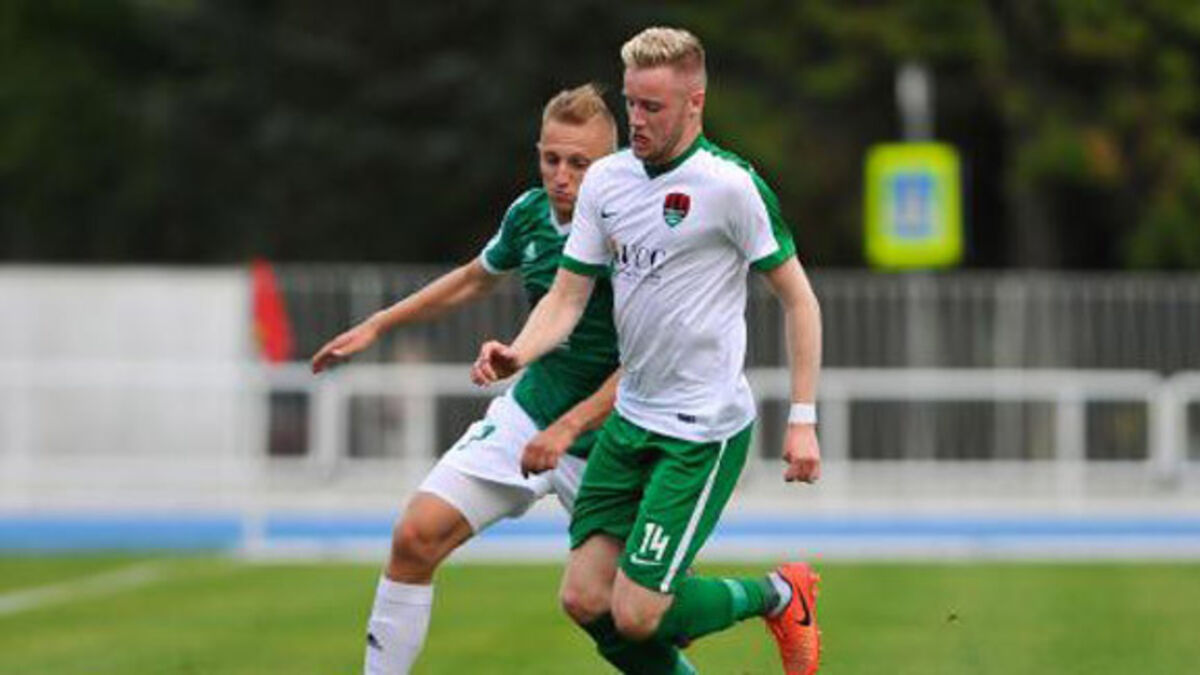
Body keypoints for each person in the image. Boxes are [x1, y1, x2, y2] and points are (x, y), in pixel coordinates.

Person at [472, 27, 824, 675]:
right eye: (631, 102)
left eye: (652, 107)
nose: (635, 119)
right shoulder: (607, 181)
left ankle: (780, 592)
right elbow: (567, 297)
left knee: (637, 612)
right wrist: (518, 353)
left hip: (700, 430)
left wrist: (802, 419)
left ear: (695, 103)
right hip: (629, 418)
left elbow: (800, 300)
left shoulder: (730, 186)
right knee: (584, 599)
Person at [311, 84, 637, 675]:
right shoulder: (528, 214)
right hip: (533, 413)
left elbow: (651, 359)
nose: (562, 177)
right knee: (416, 536)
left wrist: (574, 424)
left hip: (615, 435)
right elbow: (472, 279)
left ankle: (773, 594)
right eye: (551, 159)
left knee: (635, 614)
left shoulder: (637, 230)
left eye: (579, 163)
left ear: (611, 164)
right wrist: (378, 324)